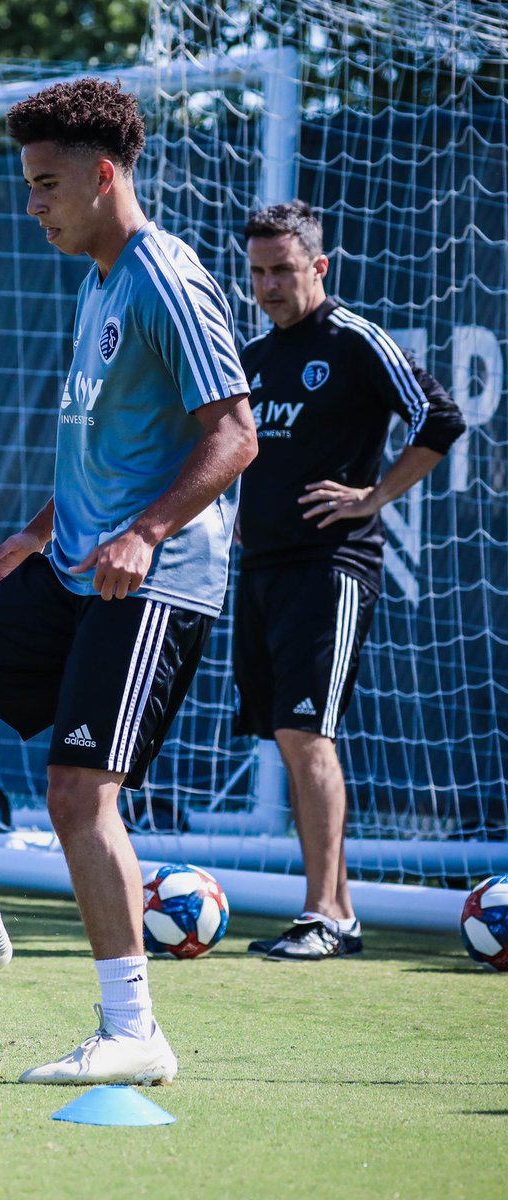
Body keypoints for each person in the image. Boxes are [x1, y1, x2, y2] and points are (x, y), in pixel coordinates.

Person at [0, 78, 256, 1085]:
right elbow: (114, 441)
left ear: (103, 174)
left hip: (151, 581)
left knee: (80, 794)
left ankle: (134, 1034)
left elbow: (235, 433)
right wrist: (40, 530)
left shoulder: (166, 276)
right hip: (76, 568)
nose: (31, 203)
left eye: (44, 184)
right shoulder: (99, 280)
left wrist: (149, 533)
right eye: (28, 184)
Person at [236, 201, 465, 961]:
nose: (270, 285)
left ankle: (325, 917)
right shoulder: (255, 355)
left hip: (329, 567)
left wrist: (373, 497)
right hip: (263, 567)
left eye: (284, 269)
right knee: (290, 736)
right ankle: (335, 910)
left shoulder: (354, 340)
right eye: (259, 271)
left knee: (308, 732)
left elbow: (440, 418)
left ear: (319, 267)